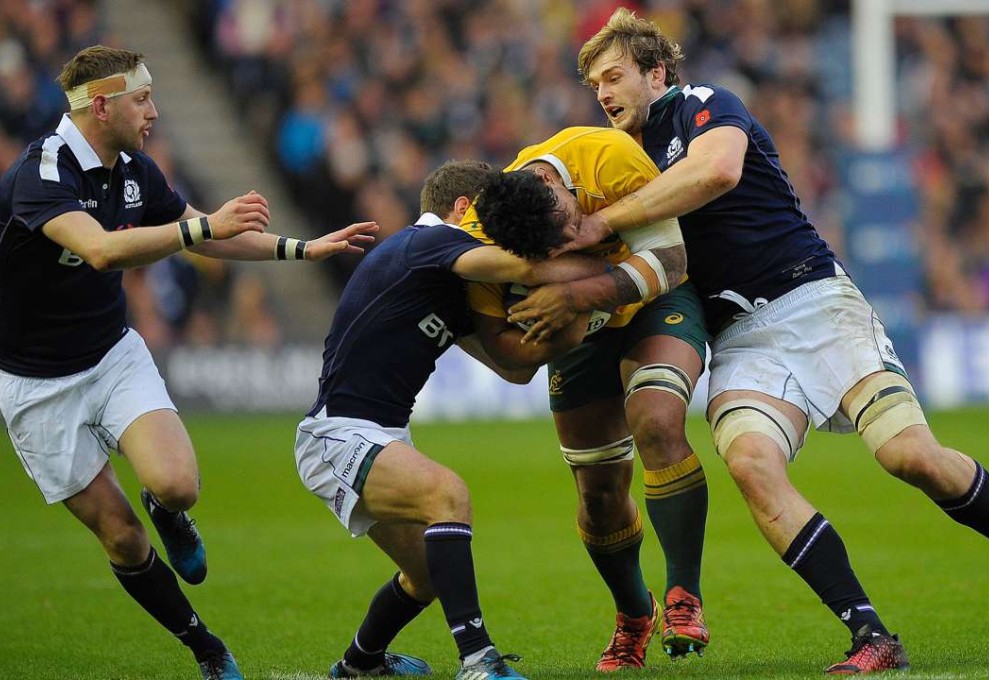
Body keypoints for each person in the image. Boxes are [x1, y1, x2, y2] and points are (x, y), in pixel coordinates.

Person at [510, 8, 989, 674]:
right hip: (741, 338)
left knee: (910, 457)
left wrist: (600, 220)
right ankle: (870, 635)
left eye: (615, 76)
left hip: (813, 303)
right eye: (594, 84)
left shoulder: (703, 103)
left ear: (656, 73)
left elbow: (717, 173)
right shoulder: (616, 161)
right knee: (751, 464)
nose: (604, 94)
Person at [0, 46, 377, 680]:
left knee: (177, 484)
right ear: (102, 104)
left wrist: (301, 249)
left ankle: (167, 511)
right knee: (120, 538)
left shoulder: (132, 170)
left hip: (110, 355)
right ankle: (204, 646)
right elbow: (99, 251)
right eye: (141, 99)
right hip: (36, 384)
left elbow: (209, 229)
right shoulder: (43, 171)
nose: (152, 110)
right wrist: (203, 232)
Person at [294, 160, 615, 680]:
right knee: (449, 495)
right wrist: (617, 270)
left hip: (376, 434)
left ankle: (359, 664)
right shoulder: (426, 243)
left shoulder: (443, 276)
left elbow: (510, 369)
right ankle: (478, 660)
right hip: (338, 434)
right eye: (492, 219)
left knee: (425, 575)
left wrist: (572, 322)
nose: (501, 234)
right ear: (464, 211)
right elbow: (529, 269)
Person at [460, 125, 713, 672]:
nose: (571, 240)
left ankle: (683, 597)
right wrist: (560, 327)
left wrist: (571, 292)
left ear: (555, 183)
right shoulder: (480, 233)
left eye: (570, 227)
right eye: (548, 251)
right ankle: (633, 615)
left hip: (656, 303)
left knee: (657, 420)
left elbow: (670, 261)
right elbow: (507, 361)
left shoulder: (609, 157)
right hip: (574, 332)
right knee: (598, 492)